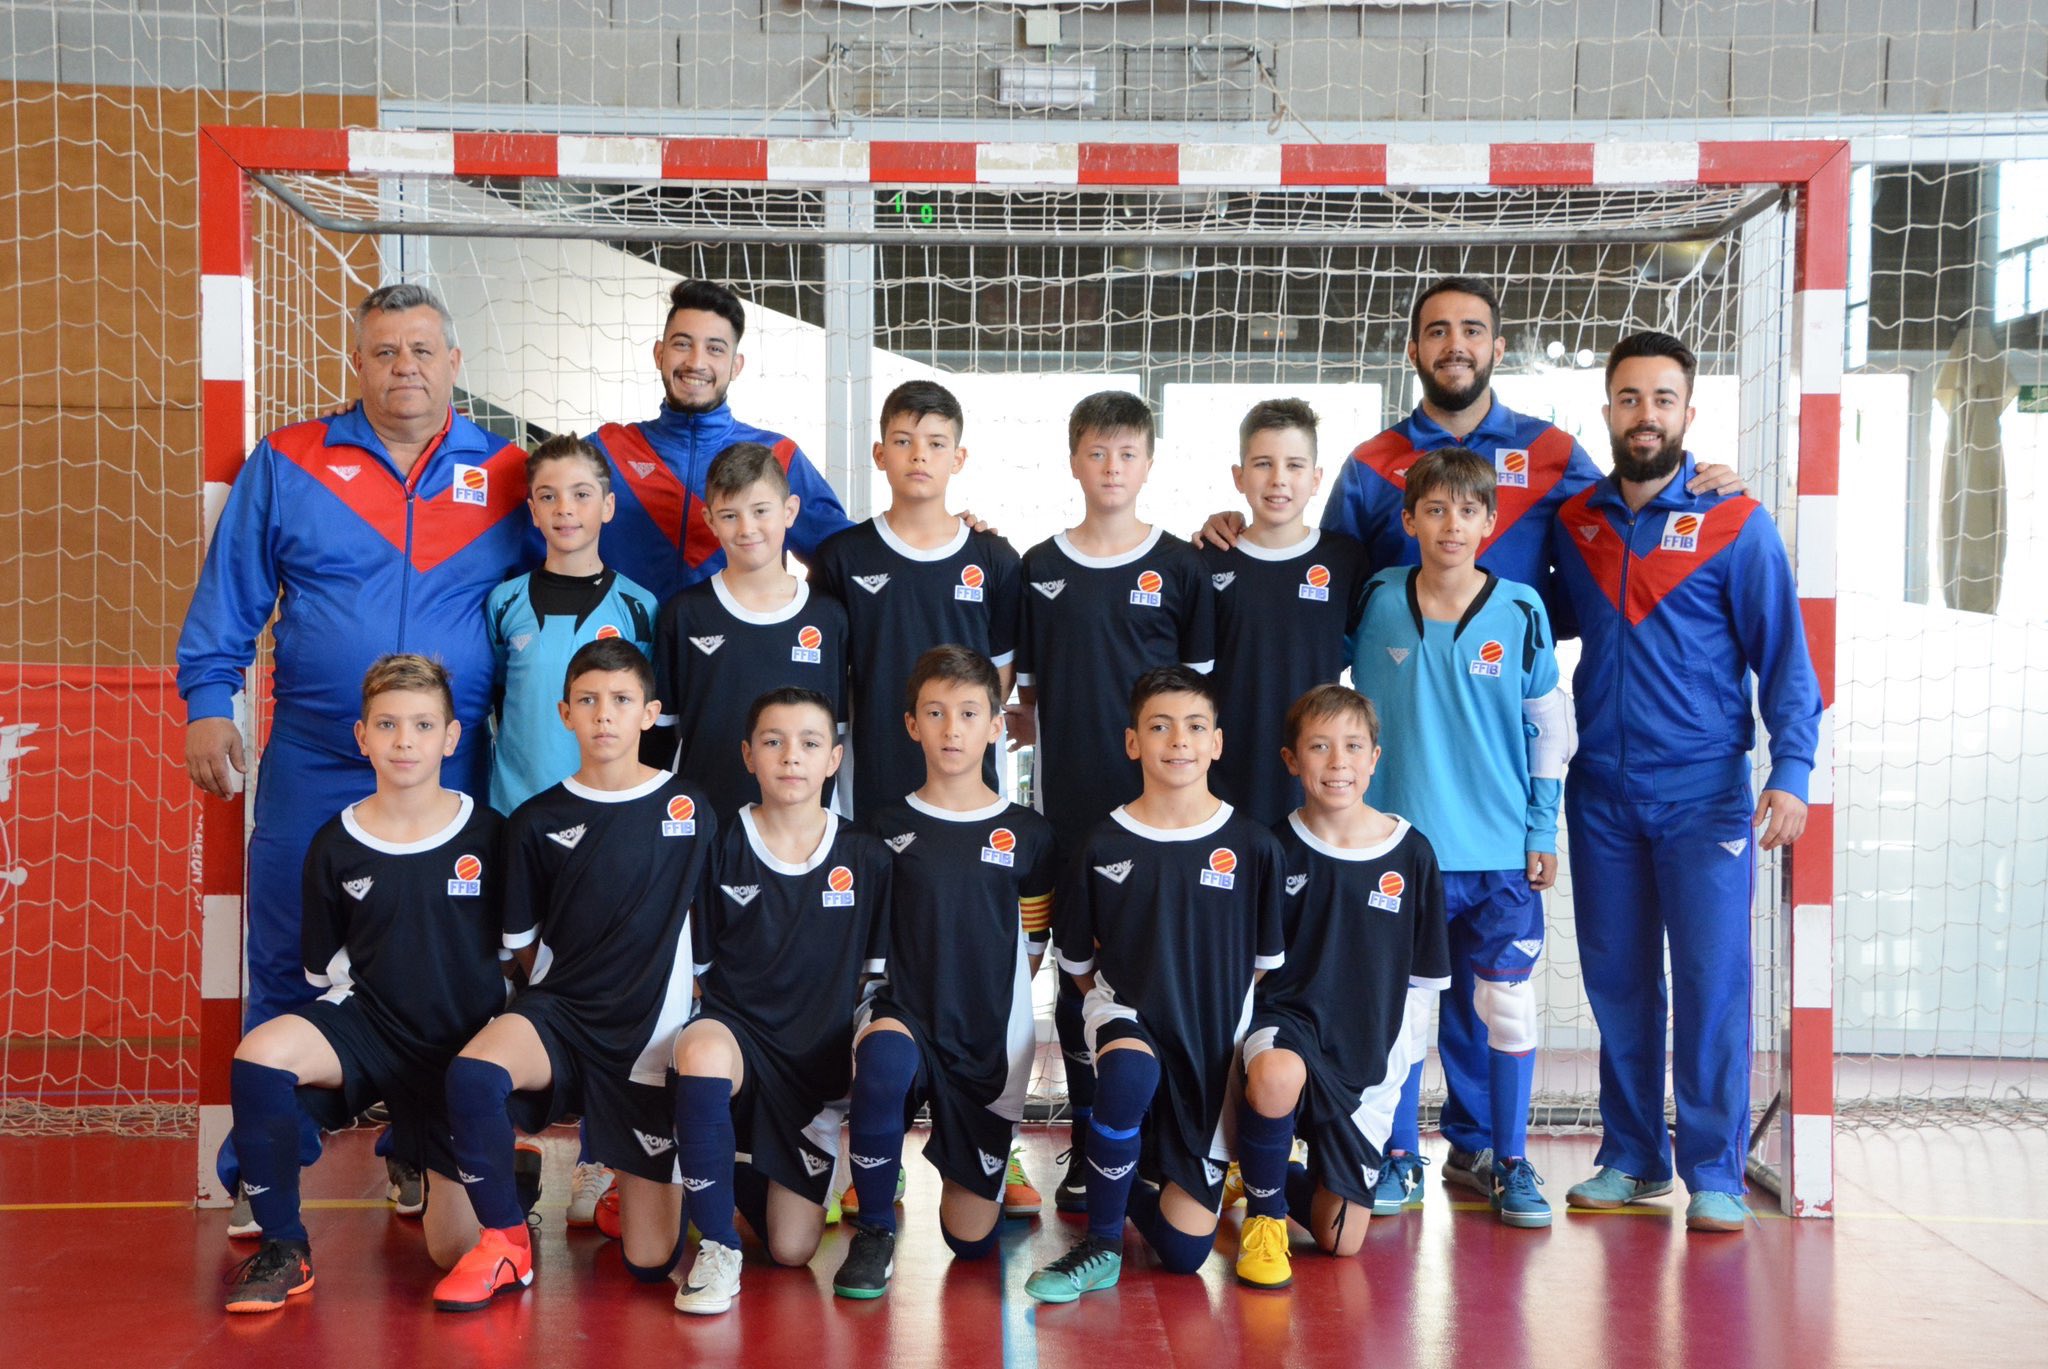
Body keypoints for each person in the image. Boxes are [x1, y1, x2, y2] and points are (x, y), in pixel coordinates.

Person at [178, 282, 534, 1225]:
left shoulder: (509, 473)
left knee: (451, 971)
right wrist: (209, 700)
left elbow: (577, 580)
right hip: (314, 758)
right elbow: (230, 594)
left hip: (453, 769)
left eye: (421, 349)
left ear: (455, 362)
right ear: (358, 363)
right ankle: (268, 1167)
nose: (403, 366)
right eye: (384, 351)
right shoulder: (288, 460)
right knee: (288, 956)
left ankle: (422, 1146)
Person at [1549, 331, 1819, 1234]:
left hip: (1706, 796)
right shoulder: (1576, 522)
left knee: (1711, 984)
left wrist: (1792, 769)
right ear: (1608, 411)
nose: (1645, 415)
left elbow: (1786, 660)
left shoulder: (1736, 522)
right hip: (1600, 793)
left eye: (1662, 399)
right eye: (1630, 398)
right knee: (1619, 984)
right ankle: (1633, 1157)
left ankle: (1714, 1170)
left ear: (1688, 413)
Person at [1193, 275, 1744, 622]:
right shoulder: (1370, 464)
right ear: (1413, 350)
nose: (1456, 345)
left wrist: (1697, 485)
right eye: (1438, 332)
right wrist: (1241, 534)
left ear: (1498, 349)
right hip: (1401, 698)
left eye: (1472, 331)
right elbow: (1321, 575)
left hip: (1511, 703)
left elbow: (1627, 524)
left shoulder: (1553, 452)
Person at [433, 638, 715, 1310]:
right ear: (564, 713)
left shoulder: (689, 807)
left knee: (650, 1262)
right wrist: (566, 998)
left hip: (648, 1038)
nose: (604, 714)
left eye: (620, 700)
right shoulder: (537, 820)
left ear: (650, 713)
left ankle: (629, 1176)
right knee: (473, 1074)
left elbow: (706, 940)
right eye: (587, 700)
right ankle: (507, 1240)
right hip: (561, 1016)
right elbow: (523, 948)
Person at [222, 656, 508, 1312]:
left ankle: (498, 1165)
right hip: (372, 1027)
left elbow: (512, 956)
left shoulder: (491, 834)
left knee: (453, 1252)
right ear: (362, 736)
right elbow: (323, 971)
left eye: (423, 724)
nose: (405, 740)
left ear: (452, 737)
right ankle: (285, 1246)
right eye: (387, 724)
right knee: (262, 1056)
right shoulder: (335, 843)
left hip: (459, 1048)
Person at [1349, 448, 1572, 1226]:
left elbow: (1549, 727)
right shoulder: (1375, 597)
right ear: (1409, 518)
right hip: (1399, 850)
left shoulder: (1521, 610)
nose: (1451, 524)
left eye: (1467, 510)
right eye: (1436, 509)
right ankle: (1398, 1155)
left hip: (1500, 853)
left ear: (1490, 521)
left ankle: (1508, 1162)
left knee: (1505, 1008)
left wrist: (1543, 827)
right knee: (1406, 1014)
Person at [1024, 667, 1285, 1304]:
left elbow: (1260, 964)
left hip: (1209, 1049)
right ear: (1133, 742)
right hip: (1125, 1014)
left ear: (1217, 742)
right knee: (1129, 1069)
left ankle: (1129, 1180)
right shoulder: (1100, 843)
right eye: (1160, 726)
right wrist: (1124, 1007)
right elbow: (1078, 966)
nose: (1178, 740)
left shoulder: (1254, 846)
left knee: (1185, 1255)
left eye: (1195, 726)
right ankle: (1102, 1244)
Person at [1014, 391, 1216, 1212]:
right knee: (1078, 974)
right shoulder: (1038, 567)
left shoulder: (1183, 567)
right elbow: (1025, 700)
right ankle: (1089, 1141)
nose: (1111, 467)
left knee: (1159, 972)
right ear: (1074, 460)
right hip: (1071, 814)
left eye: (1127, 453)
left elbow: (1198, 707)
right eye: (1096, 452)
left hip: (1164, 819)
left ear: (1149, 463)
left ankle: (1165, 1144)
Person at [834, 646, 1059, 1299]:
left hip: (986, 1041)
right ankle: (874, 1229)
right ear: (912, 725)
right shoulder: (883, 827)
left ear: (995, 724)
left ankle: (983, 1168)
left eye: (968, 713)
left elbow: (1034, 942)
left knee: (970, 1241)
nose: (951, 728)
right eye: (935, 713)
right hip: (904, 1013)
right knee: (882, 1064)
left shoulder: (1029, 834)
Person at [669, 688, 892, 1315]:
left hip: (811, 1073)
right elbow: (697, 975)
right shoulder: (718, 843)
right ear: (748, 755)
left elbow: (871, 986)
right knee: (701, 1052)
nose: (791, 756)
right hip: (737, 1044)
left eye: (810, 743)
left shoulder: (866, 855)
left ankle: (737, 1167)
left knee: (792, 1250)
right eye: (773, 741)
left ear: (833, 759)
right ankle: (717, 1248)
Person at [1232, 685, 1450, 1289]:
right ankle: (1264, 1220)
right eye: (1320, 747)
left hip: (1364, 1054)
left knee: (1339, 1241)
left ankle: (1257, 1170)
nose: (1338, 763)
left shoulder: (1412, 854)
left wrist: (1391, 1075)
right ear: (1291, 759)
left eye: (1353, 747)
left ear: (1375, 758)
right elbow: (1248, 971)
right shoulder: (1273, 849)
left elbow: (1422, 986)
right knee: (1277, 1074)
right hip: (1286, 1026)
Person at [806, 380, 1025, 821]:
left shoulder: (995, 558)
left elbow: (1001, 676)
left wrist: (951, 724)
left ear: (958, 458)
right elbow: (827, 676)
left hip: (969, 776)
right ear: (879, 454)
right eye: (903, 441)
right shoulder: (842, 558)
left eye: (936, 444)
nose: (919, 455)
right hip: (875, 770)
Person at [586, 279, 852, 602]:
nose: (696, 362)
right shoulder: (604, 451)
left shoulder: (778, 457)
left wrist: (801, 617)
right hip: (621, 636)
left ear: (736, 366)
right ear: (659, 354)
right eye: (682, 344)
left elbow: (847, 562)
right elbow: (540, 538)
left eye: (715, 349)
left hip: (733, 637)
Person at [646, 441, 850, 821]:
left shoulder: (828, 616)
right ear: (709, 520)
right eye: (730, 515)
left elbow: (836, 736)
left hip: (800, 833)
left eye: (760, 511)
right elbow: (660, 737)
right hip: (706, 824)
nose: (747, 528)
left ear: (790, 511)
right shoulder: (685, 613)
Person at [1196, 399, 1369, 825]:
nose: (1278, 479)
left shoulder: (1345, 560)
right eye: (1262, 464)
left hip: (1316, 778)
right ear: (1238, 477)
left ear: (1316, 479)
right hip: (1224, 776)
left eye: (1294, 465)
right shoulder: (1207, 560)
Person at [486, 435, 658, 816]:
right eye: (548, 496)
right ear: (533, 511)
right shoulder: (504, 602)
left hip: (608, 810)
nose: (564, 509)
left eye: (581, 494)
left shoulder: (639, 607)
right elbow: (497, 695)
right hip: (517, 809)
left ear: (608, 506)